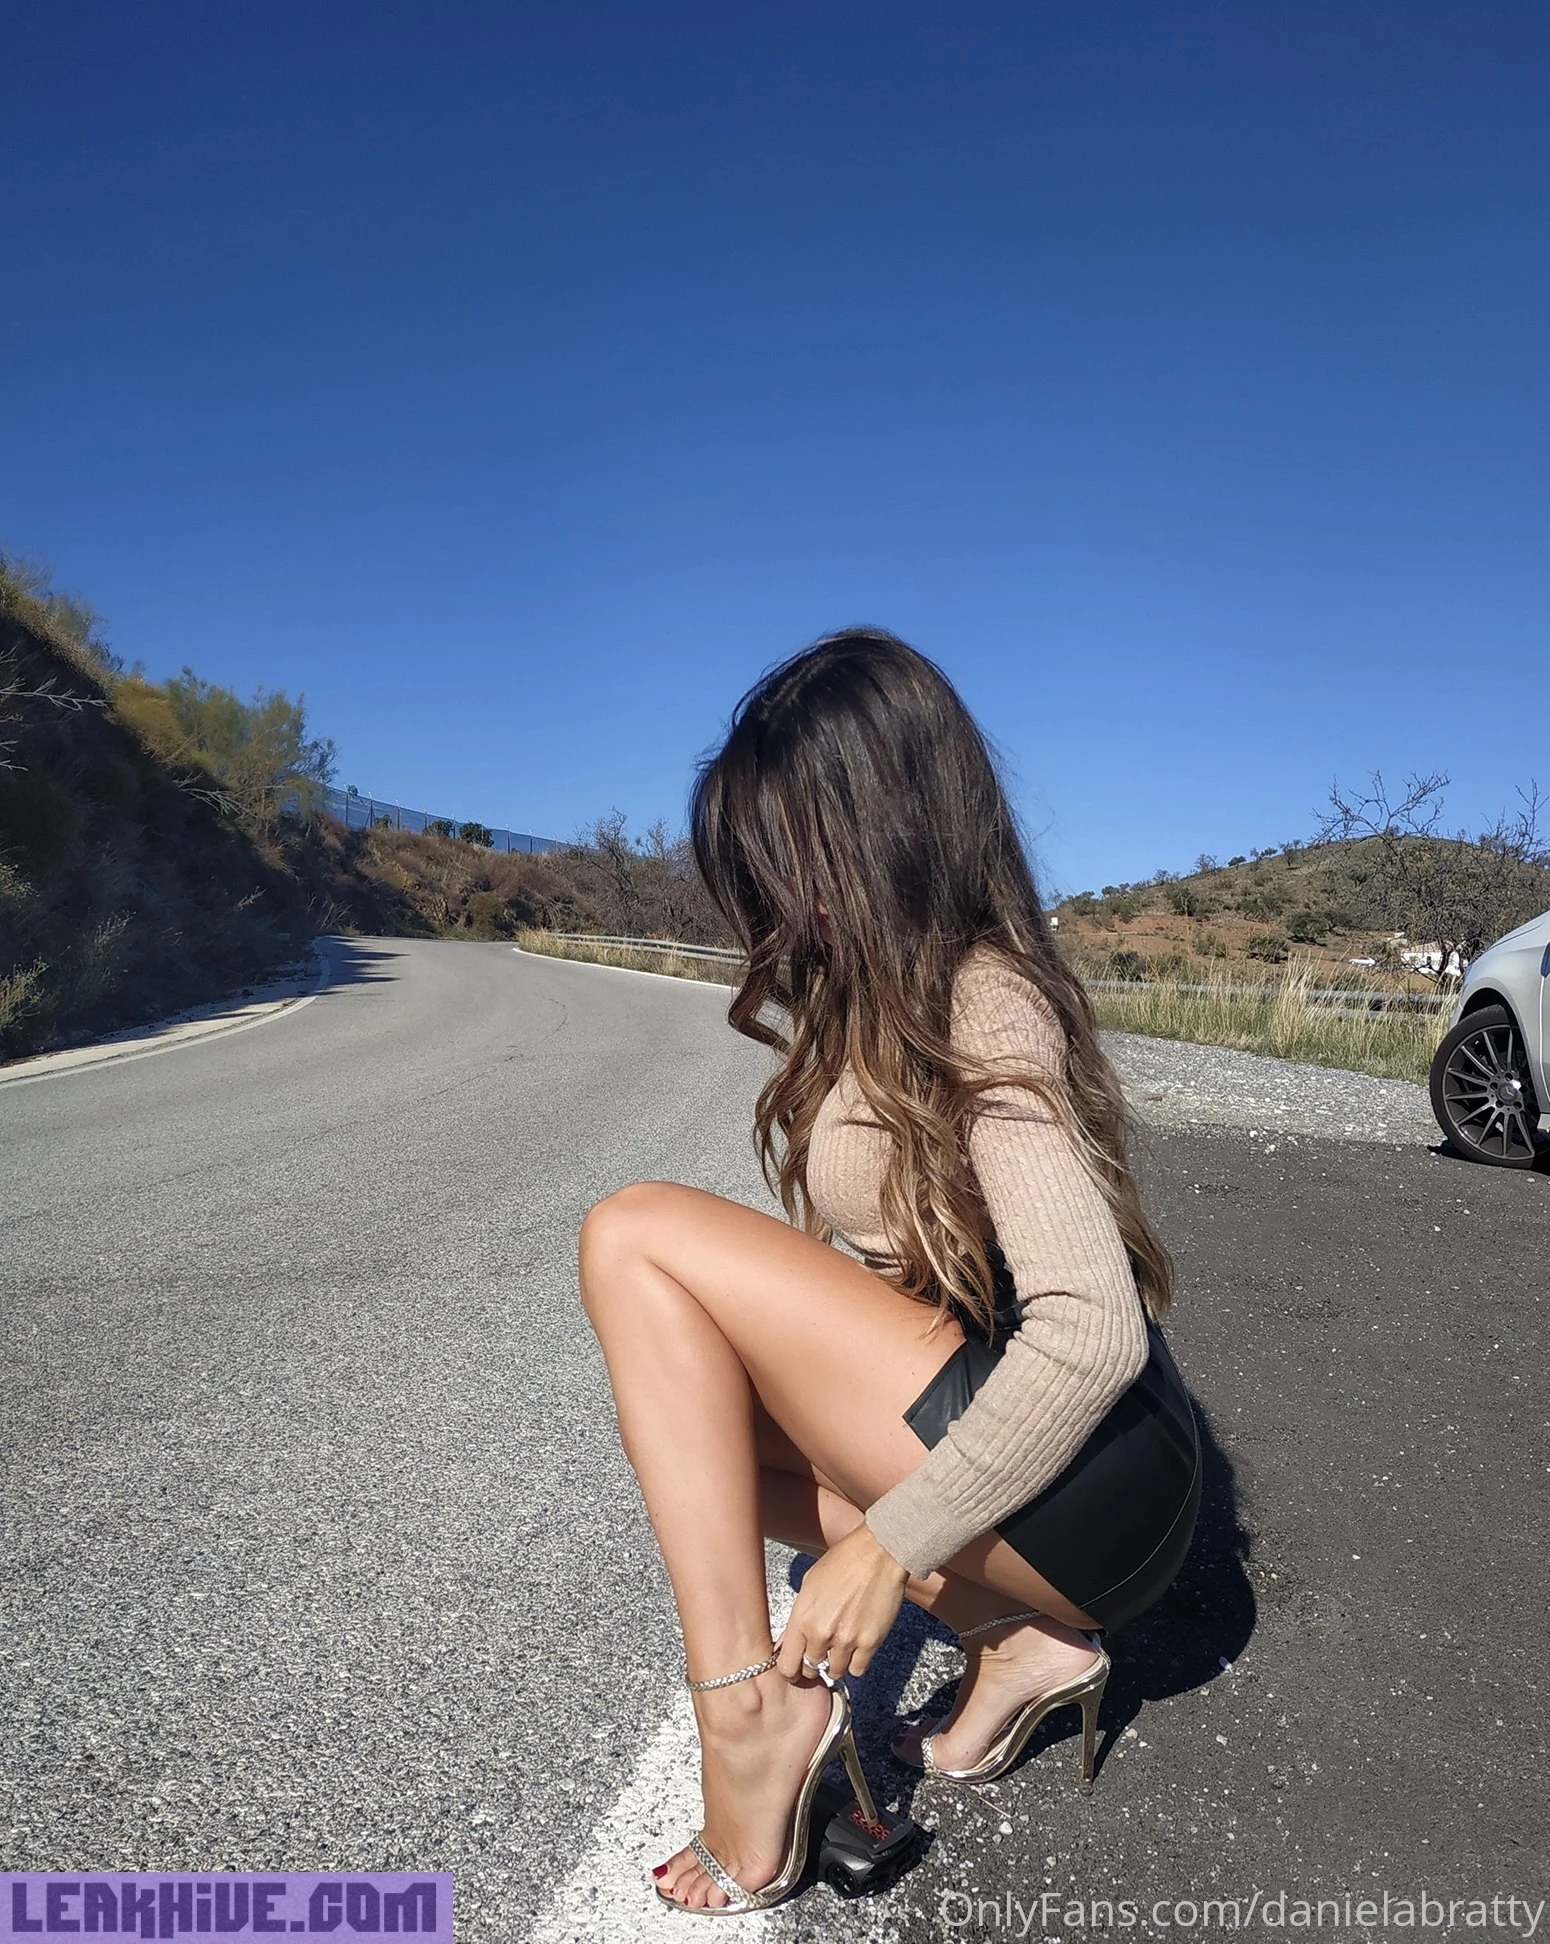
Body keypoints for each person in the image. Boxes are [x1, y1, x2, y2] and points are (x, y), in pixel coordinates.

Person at [577, 628, 1201, 1916]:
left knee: (633, 1233)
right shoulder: (882, 991)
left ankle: (747, 1719)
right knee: (702, 1451)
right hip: (1053, 1484)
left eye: (794, 851)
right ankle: (1017, 1637)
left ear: (886, 822)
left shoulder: (985, 996)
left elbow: (1092, 1329)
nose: (776, 894)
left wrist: (890, 1546)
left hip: (1105, 1479)